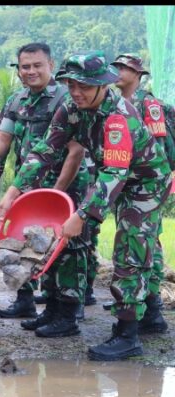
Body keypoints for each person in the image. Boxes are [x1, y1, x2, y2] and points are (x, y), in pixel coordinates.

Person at [0, 51, 172, 361]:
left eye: (84, 86)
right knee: (82, 235)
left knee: (130, 248)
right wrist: (14, 189)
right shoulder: (70, 108)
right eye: (71, 84)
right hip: (112, 176)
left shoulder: (118, 117)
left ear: (102, 85)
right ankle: (147, 316)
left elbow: (114, 174)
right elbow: (45, 150)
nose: (76, 92)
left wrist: (82, 214)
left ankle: (128, 334)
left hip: (144, 182)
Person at [0, 43, 83, 322]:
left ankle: (66, 312)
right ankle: (26, 301)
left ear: (51, 65)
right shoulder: (16, 101)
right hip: (28, 183)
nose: (31, 71)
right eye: (25, 66)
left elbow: (75, 151)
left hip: (64, 184)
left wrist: (57, 193)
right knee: (21, 240)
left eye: (37, 65)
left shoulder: (65, 99)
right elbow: (2, 140)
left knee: (64, 247)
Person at [99, 53, 172, 335]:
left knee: (146, 245)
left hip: (148, 183)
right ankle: (144, 303)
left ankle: (149, 310)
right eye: (116, 66)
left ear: (138, 74)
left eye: (125, 68)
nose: (118, 71)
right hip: (126, 183)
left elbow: (159, 145)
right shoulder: (117, 103)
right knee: (137, 242)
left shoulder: (147, 103)